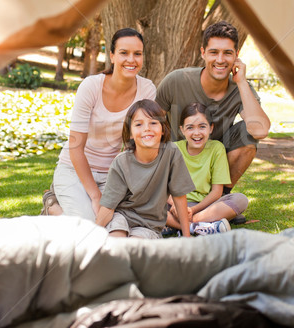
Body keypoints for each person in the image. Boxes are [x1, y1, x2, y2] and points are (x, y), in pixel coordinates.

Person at [156, 21, 270, 216]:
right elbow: (152, 124)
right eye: (214, 52)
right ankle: (186, 209)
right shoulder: (176, 80)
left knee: (248, 134)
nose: (220, 59)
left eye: (227, 53)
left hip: (213, 162)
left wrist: (241, 82)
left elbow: (260, 130)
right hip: (176, 162)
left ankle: (217, 199)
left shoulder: (242, 89)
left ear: (236, 55)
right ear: (203, 53)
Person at [43, 28, 156, 220]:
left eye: (137, 54)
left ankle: (57, 211)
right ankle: (52, 205)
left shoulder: (147, 89)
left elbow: (138, 144)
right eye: (124, 53)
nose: (131, 60)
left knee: (116, 224)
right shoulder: (91, 86)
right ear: (112, 56)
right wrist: (96, 196)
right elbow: (75, 147)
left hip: (113, 174)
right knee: (88, 223)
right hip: (74, 170)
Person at [95, 99, 194, 238]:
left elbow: (179, 196)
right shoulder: (121, 163)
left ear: (163, 129)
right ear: (130, 133)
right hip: (121, 217)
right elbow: (108, 207)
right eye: (138, 124)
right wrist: (90, 237)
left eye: (153, 123)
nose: (147, 128)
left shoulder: (172, 154)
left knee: (133, 251)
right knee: (115, 245)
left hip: (149, 225)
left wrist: (187, 236)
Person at [166, 102, 249, 236]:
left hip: (204, 207)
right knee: (148, 203)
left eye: (202, 126)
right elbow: (163, 187)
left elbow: (217, 192)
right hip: (174, 205)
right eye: (190, 127)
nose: (196, 133)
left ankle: (179, 225)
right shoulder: (173, 149)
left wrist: (192, 211)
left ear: (210, 128)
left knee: (240, 200)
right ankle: (199, 227)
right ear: (182, 130)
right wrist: (176, 206)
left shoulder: (216, 148)